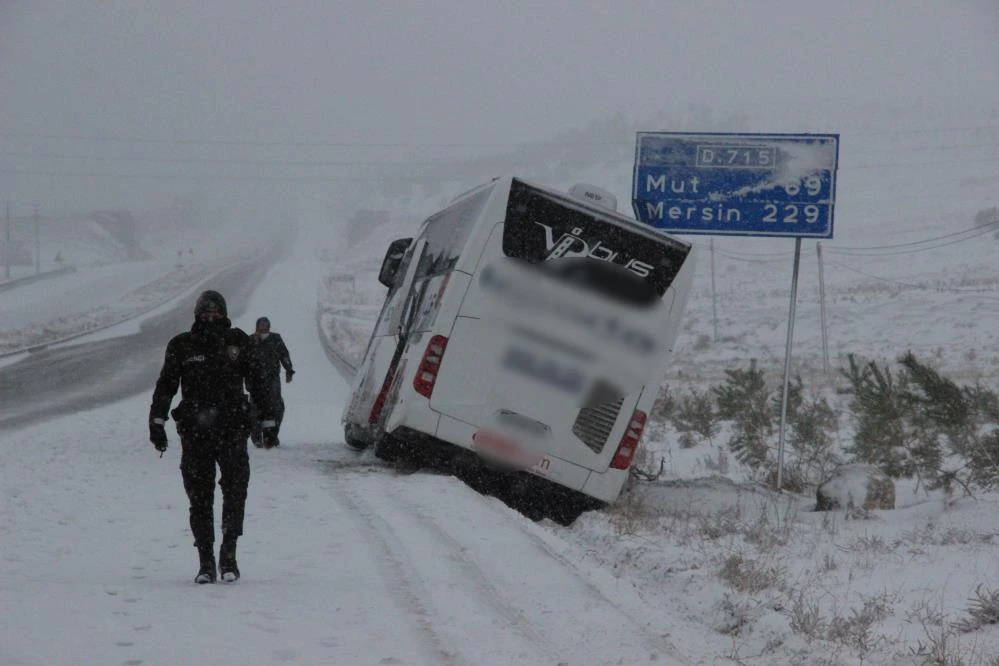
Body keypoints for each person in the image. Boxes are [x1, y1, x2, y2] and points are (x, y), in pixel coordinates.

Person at [148, 290, 253, 584]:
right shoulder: (182, 345)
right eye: (205, 313)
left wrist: (262, 420)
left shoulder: (238, 342)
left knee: (235, 493)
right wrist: (157, 421)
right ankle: (205, 561)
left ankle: (228, 555)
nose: (210, 317)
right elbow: (166, 385)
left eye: (216, 312)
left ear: (224, 313)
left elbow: (259, 381)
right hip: (196, 433)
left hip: (232, 431)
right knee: (200, 498)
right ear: (196, 315)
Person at [246, 316, 295, 449]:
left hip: (272, 379)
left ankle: (270, 437)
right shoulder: (250, 340)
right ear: (256, 326)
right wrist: (246, 379)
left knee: (275, 408)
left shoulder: (275, 339)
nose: (263, 328)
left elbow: (284, 355)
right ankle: (256, 437)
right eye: (260, 325)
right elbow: (244, 361)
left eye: (265, 325)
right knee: (255, 409)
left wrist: (289, 370)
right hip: (255, 380)